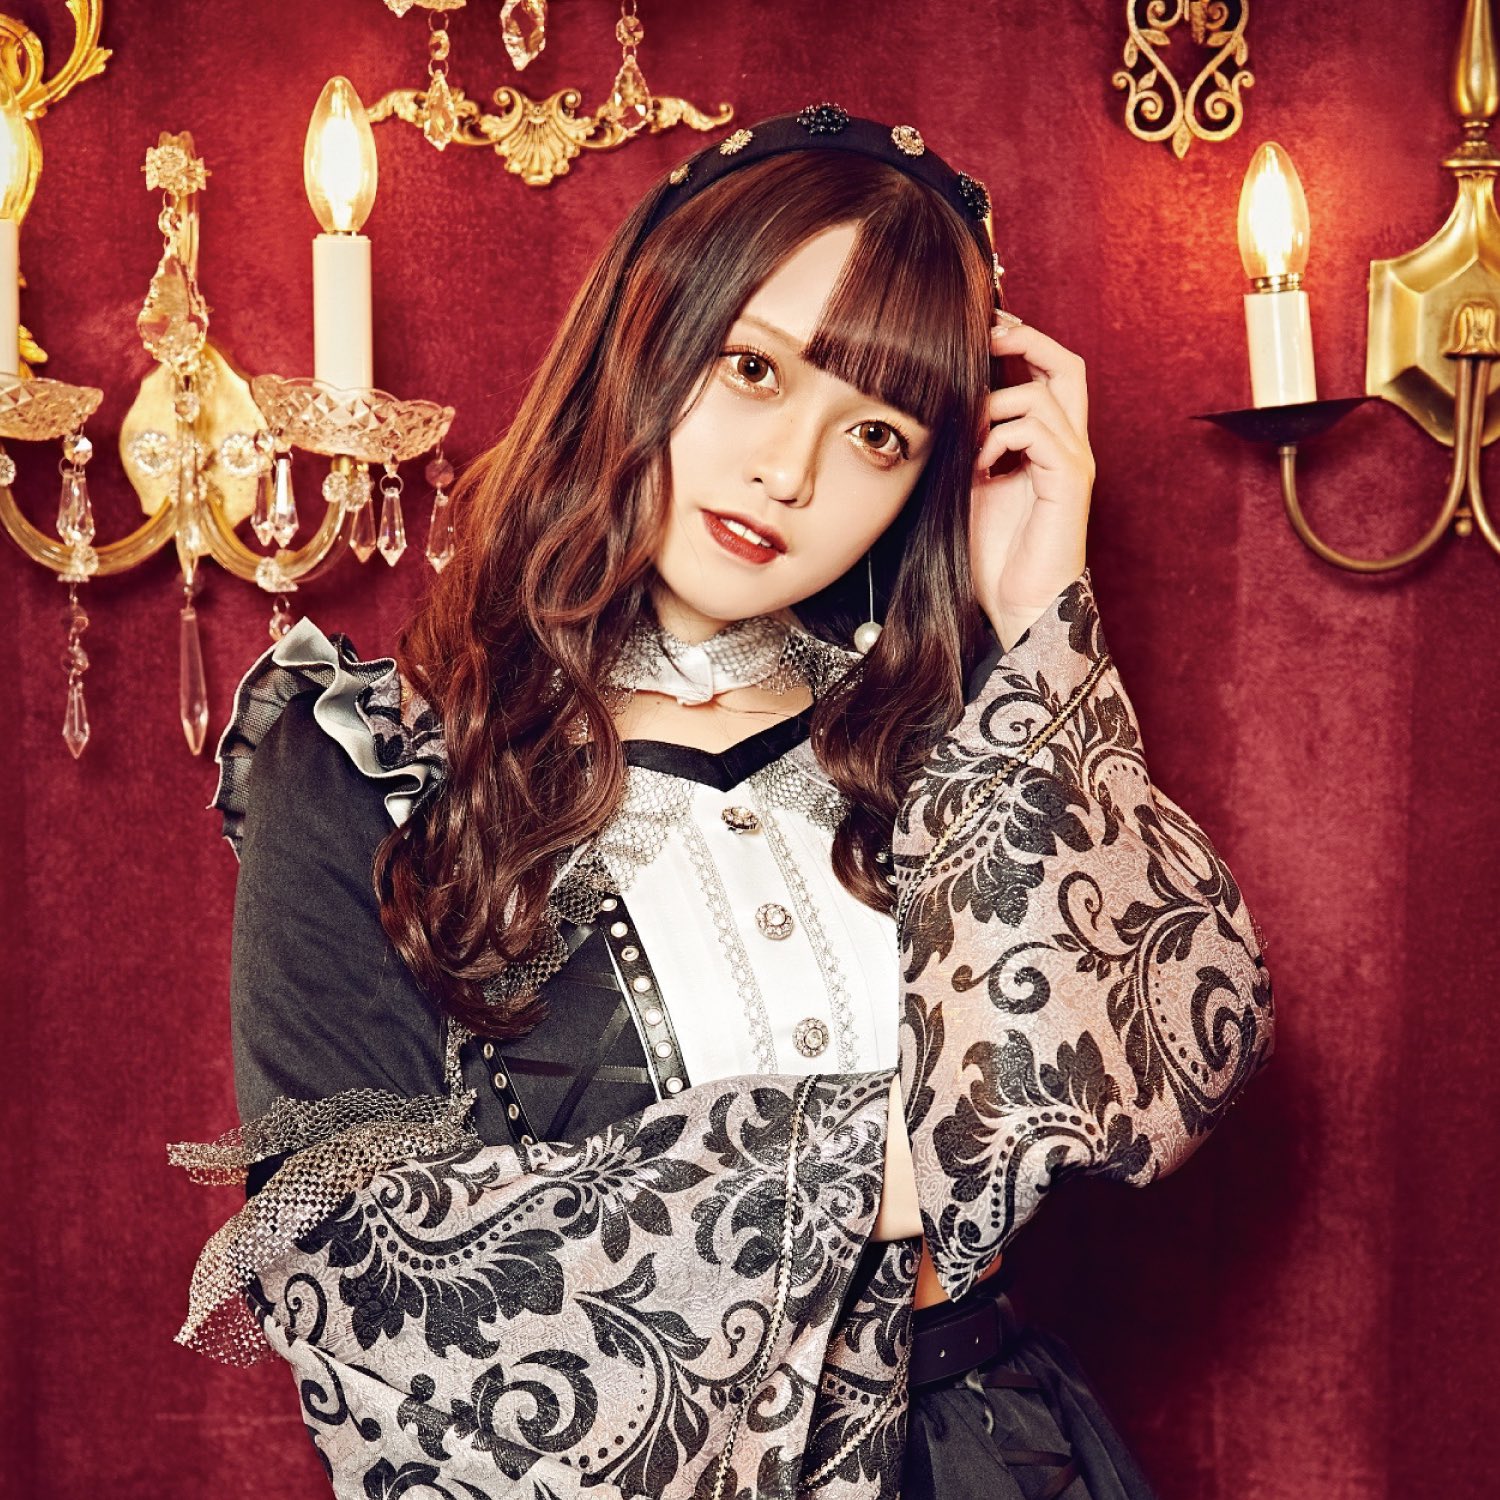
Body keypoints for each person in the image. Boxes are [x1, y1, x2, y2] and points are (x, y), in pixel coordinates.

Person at [172, 106, 1275, 1500]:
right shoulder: (367, 760)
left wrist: (1042, 612)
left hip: (1002, 1455)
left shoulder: (941, 740)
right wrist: (867, 1176)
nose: (790, 474)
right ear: (644, 332)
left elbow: (1175, 1049)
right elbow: (347, 1275)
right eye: (754, 369)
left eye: (877, 435)